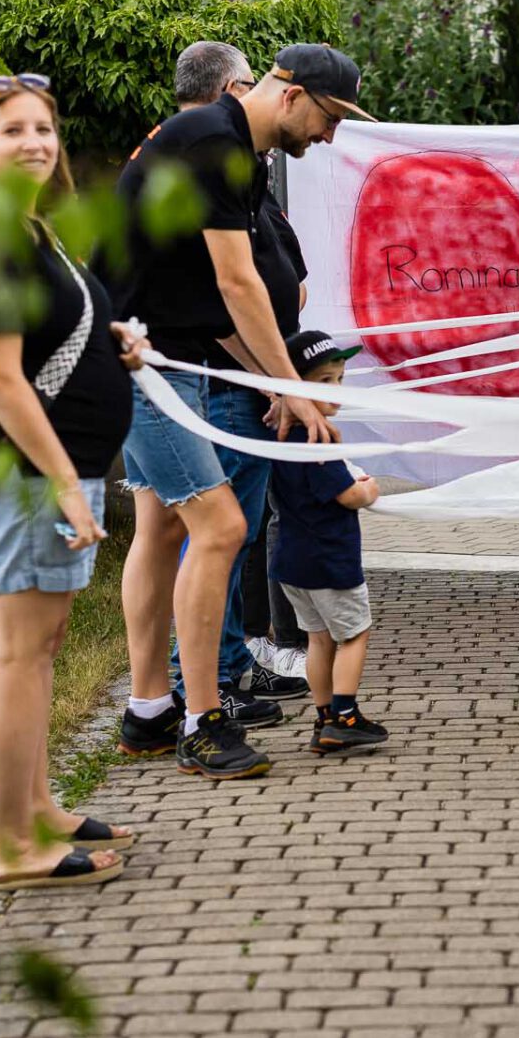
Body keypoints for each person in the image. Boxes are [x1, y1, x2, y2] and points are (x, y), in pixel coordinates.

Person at [110, 44, 362, 781]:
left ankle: (149, 712)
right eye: (329, 117)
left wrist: (278, 387)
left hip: (177, 354)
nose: (329, 136)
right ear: (289, 95)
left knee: (160, 530)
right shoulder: (216, 145)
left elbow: (220, 309)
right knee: (220, 526)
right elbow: (241, 284)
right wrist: (292, 383)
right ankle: (203, 719)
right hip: (141, 364)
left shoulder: (234, 154)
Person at [0, 77, 142, 889]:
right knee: (20, 655)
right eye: (14, 129)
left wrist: (111, 341)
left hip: (53, 471)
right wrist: (60, 480)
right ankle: (13, 847)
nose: (35, 142)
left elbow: (47, 336)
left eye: (45, 128)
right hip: (29, 477)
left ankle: (39, 809)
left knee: (40, 648)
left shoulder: (24, 227)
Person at [165, 41, 310, 729]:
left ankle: (222, 668)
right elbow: (220, 294)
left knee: (236, 533)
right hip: (223, 382)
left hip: (248, 381)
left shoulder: (241, 174)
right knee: (216, 534)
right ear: (232, 88)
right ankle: (200, 689)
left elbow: (275, 271)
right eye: (248, 85)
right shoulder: (205, 162)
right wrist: (273, 381)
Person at [268, 330, 387, 754]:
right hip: (330, 562)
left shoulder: (279, 435)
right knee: (355, 634)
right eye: (323, 382)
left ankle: (323, 719)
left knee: (318, 640)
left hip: (291, 564)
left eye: (339, 378)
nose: (336, 390)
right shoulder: (317, 440)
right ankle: (346, 715)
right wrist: (369, 489)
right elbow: (350, 495)